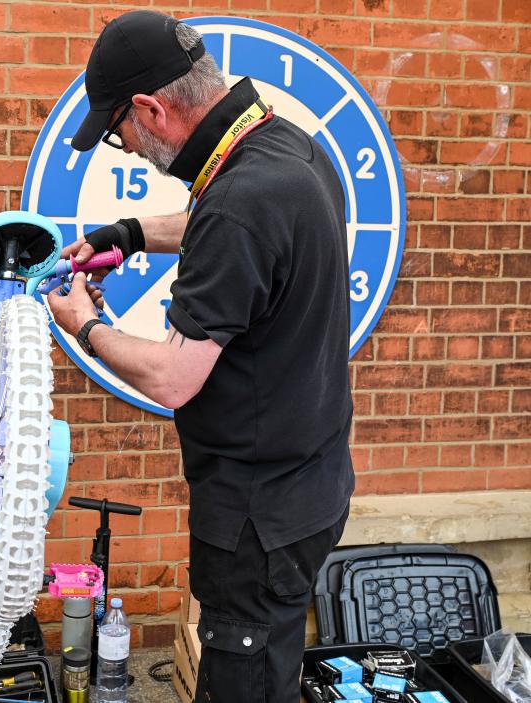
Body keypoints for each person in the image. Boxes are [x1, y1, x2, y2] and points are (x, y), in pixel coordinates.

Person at [47, 11, 354, 703]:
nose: (123, 147)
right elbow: (221, 223)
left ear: (152, 108)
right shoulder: (286, 151)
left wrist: (84, 322)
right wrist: (126, 233)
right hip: (309, 483)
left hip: (255, 516)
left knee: (245, 682)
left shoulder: (241, 201)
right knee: (273, 665)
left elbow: (172, 377)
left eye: (118, 130)